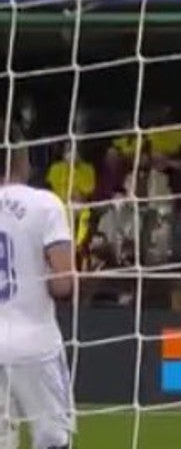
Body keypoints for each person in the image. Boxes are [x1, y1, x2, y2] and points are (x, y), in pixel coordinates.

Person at [0, 132, 76, 449]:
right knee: (53, 438)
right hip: (35, 343)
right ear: (23, 160)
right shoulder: (45, 204)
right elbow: (63, 284)